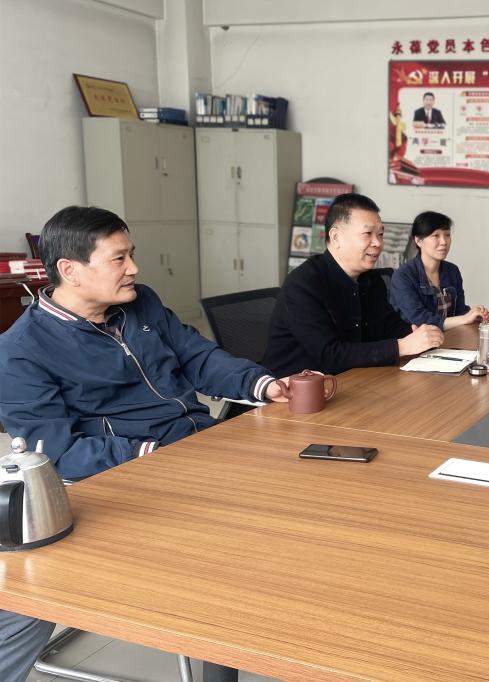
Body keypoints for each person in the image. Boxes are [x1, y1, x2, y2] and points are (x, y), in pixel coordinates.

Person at [0, 205, 291, 681]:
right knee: (250, 543)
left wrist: (263, 385)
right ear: (70, 270)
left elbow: (197, 357)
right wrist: (152, 456)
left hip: (200, 453)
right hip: (135, 480)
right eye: (119, 259)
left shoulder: (142, 303)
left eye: (131, 254)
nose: (134, 268)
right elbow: (55, 453)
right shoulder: (21, 350)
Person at [263, 193, 444, 378]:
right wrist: (402, 346)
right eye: (368, 234)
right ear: (336, 237)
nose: (378, 243)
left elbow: (389, 326)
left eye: (380, 234)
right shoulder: (302, 285)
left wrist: (418, 335)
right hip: (297, 389)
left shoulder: (371, 279)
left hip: (355, 379)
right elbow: (330, 355)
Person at [389, 211, 488, 329]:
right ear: (418, 240)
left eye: (447, 235)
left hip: (450, 337)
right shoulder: (403, 276)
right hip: (416, 339)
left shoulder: (452, 271)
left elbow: (460, 311)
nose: (444, 242)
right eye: (436, 235)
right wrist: (464, 319)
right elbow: (420, 319)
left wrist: (473, 314)